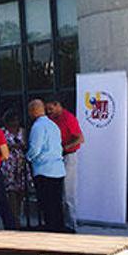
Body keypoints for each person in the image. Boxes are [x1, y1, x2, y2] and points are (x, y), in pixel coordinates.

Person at [26, 99, 66, 232]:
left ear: (33, 111)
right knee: (56, 202)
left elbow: (35, 148)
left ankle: (50, 229)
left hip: (44, 170)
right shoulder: (53, 125)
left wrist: (28, 157)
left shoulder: (38, 127)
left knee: (47, 203)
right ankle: (59, 227)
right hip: (58, 169)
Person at [45, 95, 84, 233]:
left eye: (50, 108)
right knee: (58, 192)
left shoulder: (68, 118)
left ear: (57, 105)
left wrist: (65, 147)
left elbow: (80, 138)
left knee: (68, 193)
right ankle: (60, 223)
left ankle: (71, 225)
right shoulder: (51, 119)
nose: (49, 112)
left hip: (68, 156)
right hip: (56, 158)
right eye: (47, 109)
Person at [0, 109, 31, 228]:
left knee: (21, 190)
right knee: (11, 190)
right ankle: (14, 218)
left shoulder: (23, 132)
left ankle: (18, 213)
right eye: (12, 121)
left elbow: (27, 145)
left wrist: (21, 146)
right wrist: (11, 146)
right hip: (8, 164)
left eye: (16, 121)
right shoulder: (3, 132)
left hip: (21, 163)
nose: (15, 123)